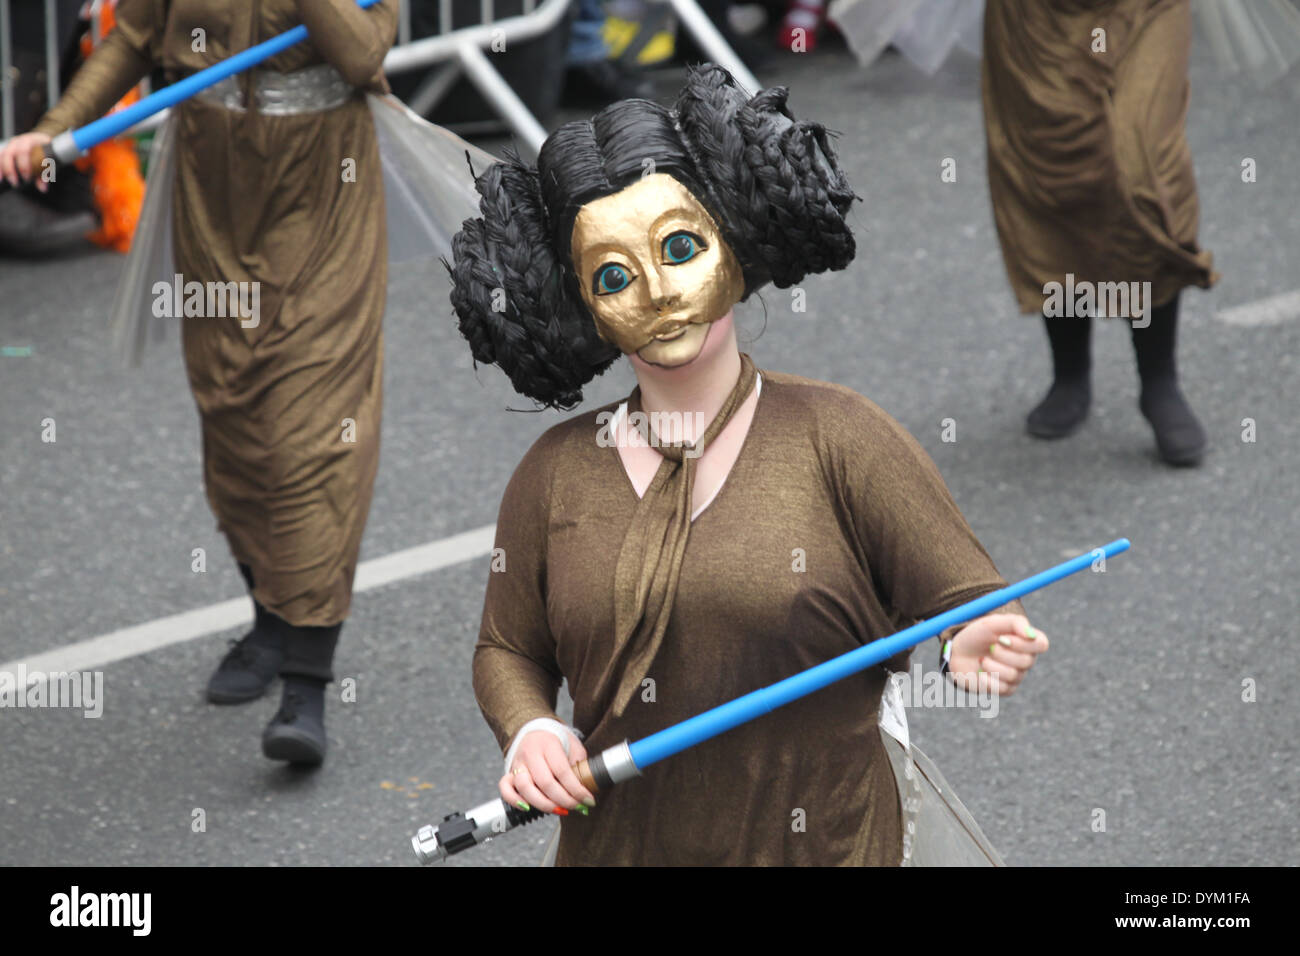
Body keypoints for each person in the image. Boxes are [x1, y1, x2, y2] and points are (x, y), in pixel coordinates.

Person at [449, 65, 1051, 865]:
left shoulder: (841, 436)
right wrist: (528, 728)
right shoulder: (553, 474)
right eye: (616, 276)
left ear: (734, 243)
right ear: (584, 304)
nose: (659, 292)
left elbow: (965, 600)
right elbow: (507, 649)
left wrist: (969, 642)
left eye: (680, 247)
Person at [0, 0, 402, 766]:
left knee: (314, 432)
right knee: (236, 418)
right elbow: (135, 38)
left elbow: (359, 54)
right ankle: (269, 622)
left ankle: (308, 683)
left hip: (321, 194)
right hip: (210, 192)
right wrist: (54, 131)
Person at [982, 0, 1217, 465]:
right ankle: (1070, 372)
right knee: (1055, 177)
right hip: (1036, 17)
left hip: (1144, 7)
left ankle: (1159, 380)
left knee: (1143, 173)